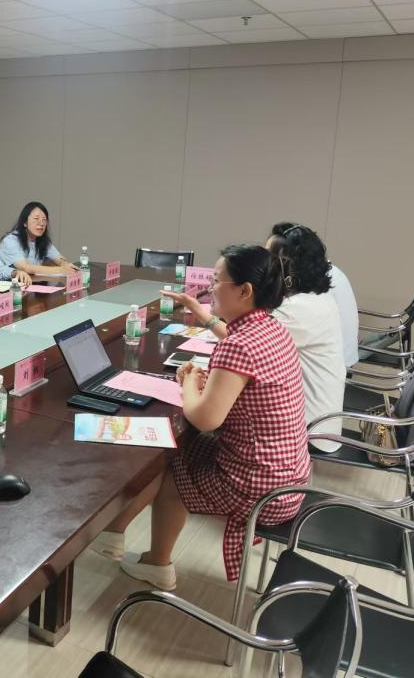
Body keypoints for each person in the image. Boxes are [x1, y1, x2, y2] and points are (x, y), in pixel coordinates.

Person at [105, 245, 310, 590]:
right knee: (176, 451)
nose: (210, 287)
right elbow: (236, 348)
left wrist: (189, 382)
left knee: (171, 464)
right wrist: (201, 316)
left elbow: (204, 419)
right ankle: (116, 536)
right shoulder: (270, 329)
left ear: (244, 291)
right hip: (290, 475)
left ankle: (155, 562)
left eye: (217, 281)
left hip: (258, 487)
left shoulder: (239, 346)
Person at [265, 224, 346, 452]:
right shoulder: (316, 298)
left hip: (309, 430)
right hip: (319, 419)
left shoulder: (299, 309)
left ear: (288, 266)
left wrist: (208, 318)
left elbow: (249, 343)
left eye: (269, 259)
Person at [274, 222, 360, 370]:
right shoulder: (325, 282)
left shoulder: (300, 305)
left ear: (289, 260)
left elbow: (255, 340)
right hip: (343, 363)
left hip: (334, 366)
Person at [0, 201, 78, 276]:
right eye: (36, 219)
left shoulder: (42, 240)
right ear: (25, 222)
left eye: (44, 220)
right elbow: (25, 268)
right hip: (4, 284)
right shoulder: (10, 241)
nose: (41, 223)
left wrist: (64, 264)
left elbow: (59, 259)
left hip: (29, 283)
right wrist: (61, 270)